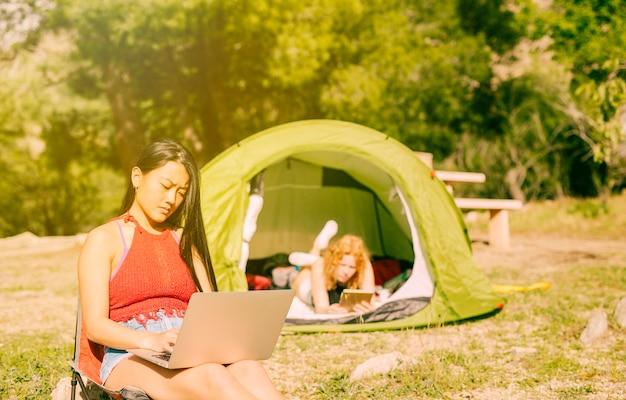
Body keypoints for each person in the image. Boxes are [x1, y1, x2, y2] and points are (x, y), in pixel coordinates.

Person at [77, 139, 284, 399]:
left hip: (191, 350)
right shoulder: (104, 239)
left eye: (181, 192)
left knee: (250, 369)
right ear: (137, 177)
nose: (171, 199)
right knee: (212, 376)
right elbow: (95, 326)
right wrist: (151, 341)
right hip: (131, 354)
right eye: (165, 186)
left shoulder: (184, 239)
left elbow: (213, 308)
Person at [290, 232, 376, 314]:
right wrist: (329, 311)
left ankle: (313, 257)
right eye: (342, 265)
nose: (346, 272)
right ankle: (316, 248)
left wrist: (368, 308)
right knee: (302, 277)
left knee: (317, 264)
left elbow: (371, 301)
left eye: (352, 267)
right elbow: (321, 308)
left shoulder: (364, 265)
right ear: (333, 261)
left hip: (322, 270)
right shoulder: (320, 266)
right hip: (309, 288)